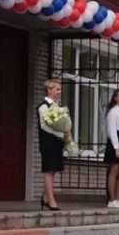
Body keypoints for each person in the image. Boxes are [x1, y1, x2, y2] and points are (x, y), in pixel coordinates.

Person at [37, 79, 69, 211]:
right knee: (49, 170)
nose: (59, 92)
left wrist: (65, 132)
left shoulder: (57, 106)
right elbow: (45, 126)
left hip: (57, 141)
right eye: (57, 89)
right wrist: (60, 132)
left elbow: (62, 123)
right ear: (49, 90)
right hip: (48, 142)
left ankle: (45, 198)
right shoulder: (43, 106)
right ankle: (51, 201)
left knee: (54, 170)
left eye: (60, 89)